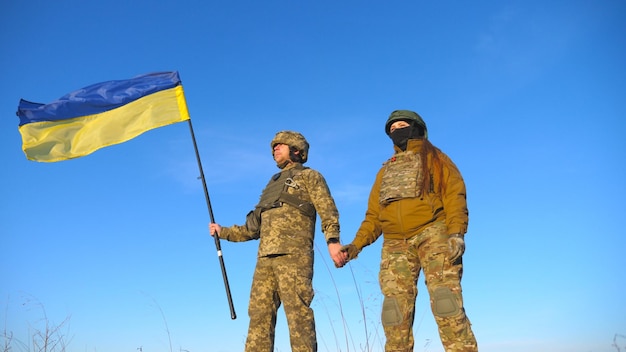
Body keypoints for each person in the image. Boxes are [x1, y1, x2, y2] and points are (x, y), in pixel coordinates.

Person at [339, 110, 478, 352]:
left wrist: (456, 233)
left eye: (402, 126)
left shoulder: (436, 159)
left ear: (416, 128)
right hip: (395, 244)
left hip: (433, 233)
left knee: (447, 304)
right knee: (394, 314)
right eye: (392, 129)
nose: (396, 131)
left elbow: (455, 195)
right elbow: (373, 217)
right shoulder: (385, 171)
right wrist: (355, 245)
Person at [209, 130, 344, 352]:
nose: (274, 149)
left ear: (296, 150)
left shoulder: (310, 176)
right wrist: (223, 232)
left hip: (294, 256)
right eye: (273, 146)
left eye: (280, 145)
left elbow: (327, 210)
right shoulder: (272, 185)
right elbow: (252, 229)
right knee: (259, 317)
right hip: (265, 259)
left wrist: (333, 240)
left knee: (298, 314)